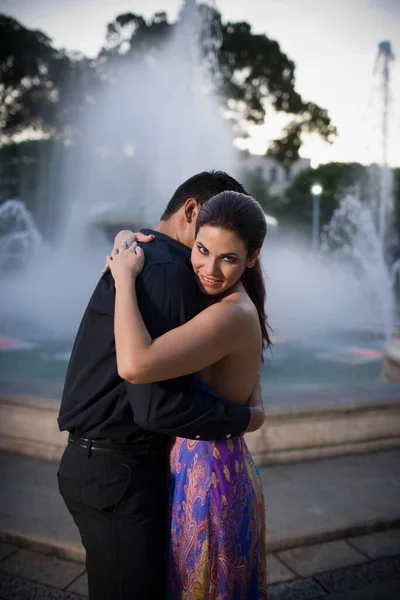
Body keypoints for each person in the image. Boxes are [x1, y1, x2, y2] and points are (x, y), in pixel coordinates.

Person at [57, 171, 265, 600]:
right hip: (120, 469)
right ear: (193, 213)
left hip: (163, 468)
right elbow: (151, 399)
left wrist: (247, 416)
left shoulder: (164, 268)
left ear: (250, 257)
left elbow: (152, 393)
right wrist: (246, 416)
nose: (208, 266)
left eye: (227, 256)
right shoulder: (167, 267)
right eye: (204, 249)